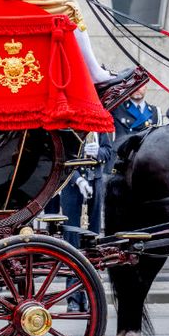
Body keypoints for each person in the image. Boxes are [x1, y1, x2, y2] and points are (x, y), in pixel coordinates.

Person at [61, 132, 113, 312]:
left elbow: (108, 151)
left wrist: (98, 152)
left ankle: (91, 295)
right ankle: (73, 297)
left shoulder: (99, 127)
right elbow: (63, 156)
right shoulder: (68, 127)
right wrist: (78, 179)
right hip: (73, 186)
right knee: (72, 244)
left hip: (96, 182)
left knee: (93, 243)